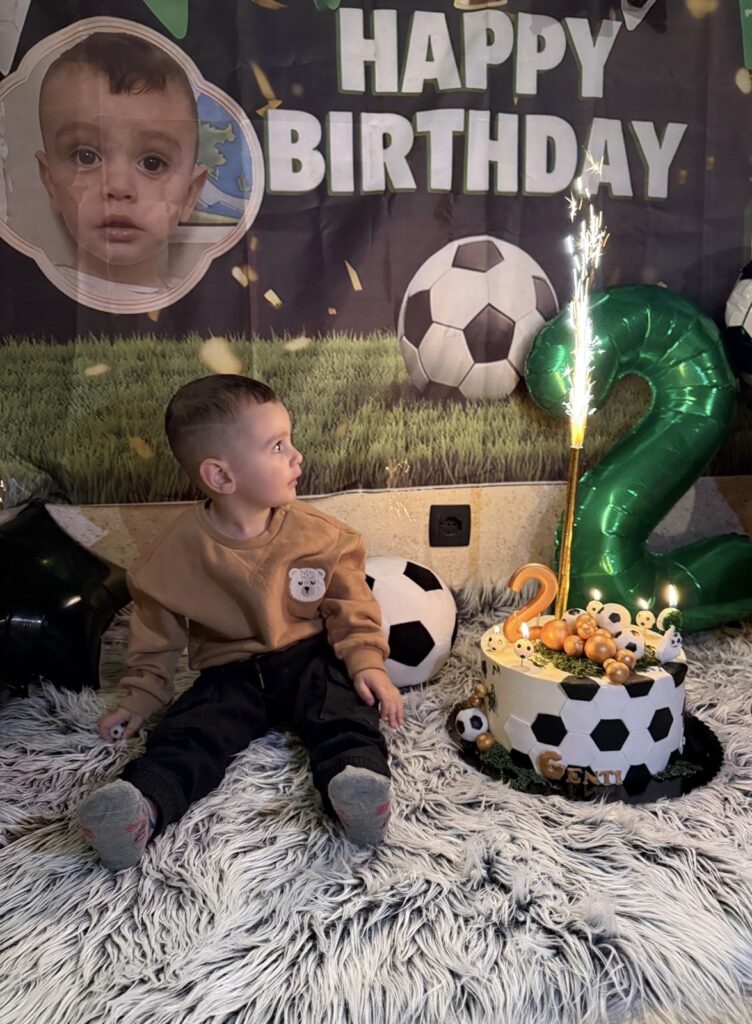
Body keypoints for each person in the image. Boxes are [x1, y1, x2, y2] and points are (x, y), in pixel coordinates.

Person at [78, 374, 404, 871]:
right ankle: (139, 807)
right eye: (277, 446)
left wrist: (367, 663)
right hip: (230, 673)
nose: (297, 456)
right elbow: (155, 638)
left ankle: (355, 784)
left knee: (344, 709)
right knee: (191, 732)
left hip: (309, 658)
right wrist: (139, 698)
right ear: (221, 477)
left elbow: (350, 606)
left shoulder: (321, 536)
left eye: (290, 441)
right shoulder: (173, 557)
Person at [35, 32, 207, 299]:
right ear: (50, 181)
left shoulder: (203, 306)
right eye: (86, 157)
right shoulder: (25, 296)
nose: (118, 187)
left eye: (152, 163)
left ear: (189, 194)